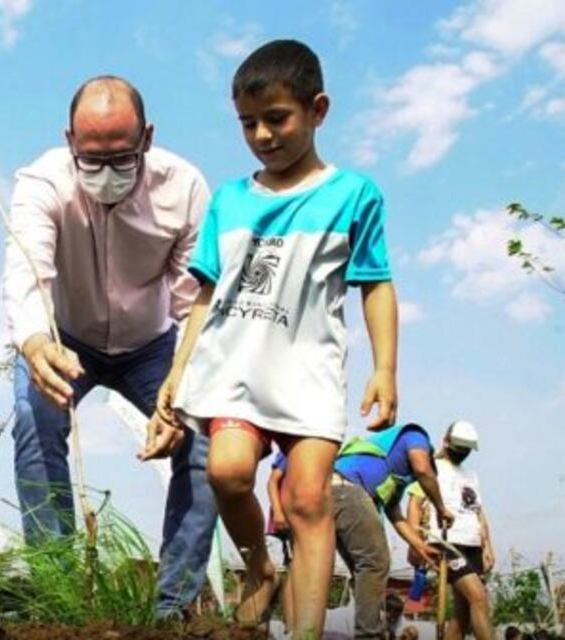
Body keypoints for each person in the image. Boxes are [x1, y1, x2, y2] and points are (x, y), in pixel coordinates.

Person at [156, 39, 399, 638]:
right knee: (228, 473)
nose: (263, 134)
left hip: (308, 371)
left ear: (318, 110)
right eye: (248, 123)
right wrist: (177, 372)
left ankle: (306, 632)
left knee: (309, 499)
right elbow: (205, 295)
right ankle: (261, 567)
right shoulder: (230, 200)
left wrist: (385, 368)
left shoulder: (353, 195)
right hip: (233, 368)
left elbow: (376, 284)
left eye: (277, 118)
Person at [2, 74, 217, 617]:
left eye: (120, 158)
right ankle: (60, 589)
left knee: (208, 439)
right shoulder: (41, 182)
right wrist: (32, 342)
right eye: (89, 160)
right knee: (34, 419)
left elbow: (194, 304)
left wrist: (179, 387)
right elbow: (26, 272)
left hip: (152, 346)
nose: (104, 174)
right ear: (69, 140)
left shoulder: (185, 188)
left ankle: (172, 605)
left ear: (146, 138)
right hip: (64, 340)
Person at [330, 422, 454, 638]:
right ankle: (369, 635)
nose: (419, 479)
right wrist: (441, 508)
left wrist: (419, 545)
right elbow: (423, 470)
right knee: (375, 563)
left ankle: (367, 629)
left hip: (335, 493)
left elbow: (395, 515)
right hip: (345, 488)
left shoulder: (395, 478)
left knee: (364, 569)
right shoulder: (417, 436)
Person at [408, 421, 495, 640]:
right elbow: (415, 504)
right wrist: (414, 543)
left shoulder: (470, 475)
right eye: (459, 447)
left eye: (466, 449)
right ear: (446, 441)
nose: (462, 453)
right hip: (446, 542)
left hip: (472, 543)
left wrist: (487, 546)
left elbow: (478, 512)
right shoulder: (429, 467)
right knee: (478, 597)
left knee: (463, 615)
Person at [265, 451, 294, 631]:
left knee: (295, 573)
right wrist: (277, 511)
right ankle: (257, 625)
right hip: (281, 523)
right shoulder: (289, 451)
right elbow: (272, 481)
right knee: (270, 574)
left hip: (297, 525)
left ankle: (290, 628)